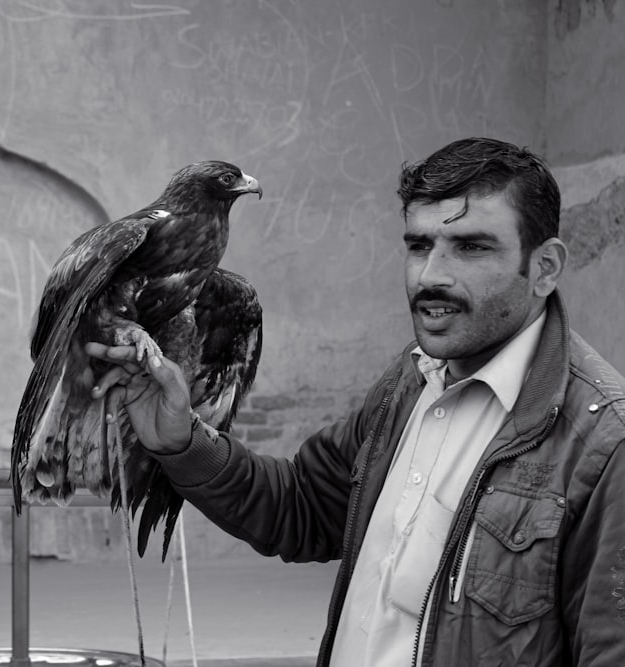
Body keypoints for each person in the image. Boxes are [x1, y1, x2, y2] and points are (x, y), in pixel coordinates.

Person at [85, 137, 625, 666]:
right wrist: (182, 442)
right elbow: (302, 508)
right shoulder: (411, 381)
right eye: (419, 246)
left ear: (546, 268)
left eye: (472, 246)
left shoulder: (605, 448)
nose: (431, 275)